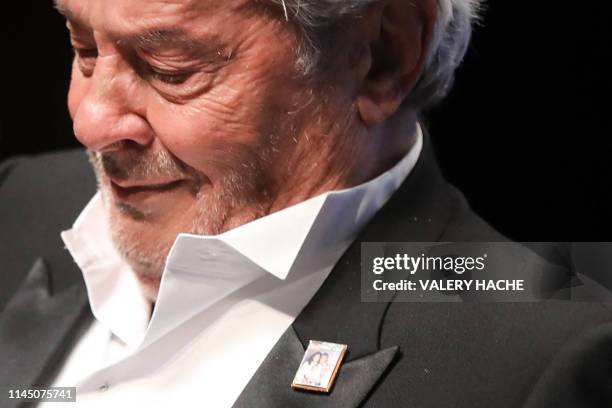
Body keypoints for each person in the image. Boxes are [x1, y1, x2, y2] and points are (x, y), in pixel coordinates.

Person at [0, 0, 610, 407]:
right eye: (83, 49)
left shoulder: (544, 361)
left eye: (170, 67)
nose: (90, 120)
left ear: (383, 59)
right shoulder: (16, 199)